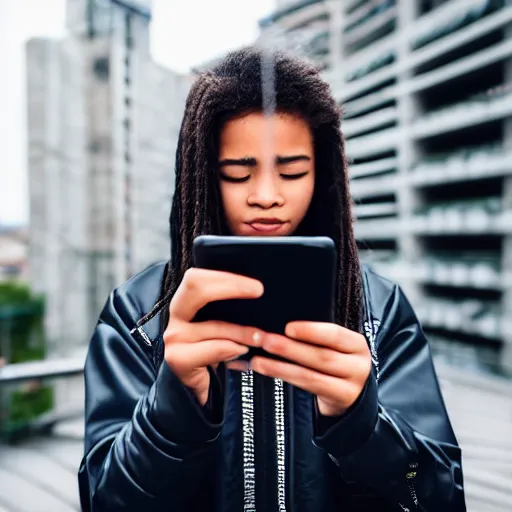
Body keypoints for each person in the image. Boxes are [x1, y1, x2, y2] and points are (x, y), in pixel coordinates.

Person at [78, 47, 466, 511]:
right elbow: (104, 501)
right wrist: (172, 410)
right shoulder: (139, 316)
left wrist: (363, 426)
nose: (266, 196)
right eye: (238, 174)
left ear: (321, 175)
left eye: (292, 171)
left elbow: (441, 498)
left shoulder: (378, 312)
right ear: (202, 176)